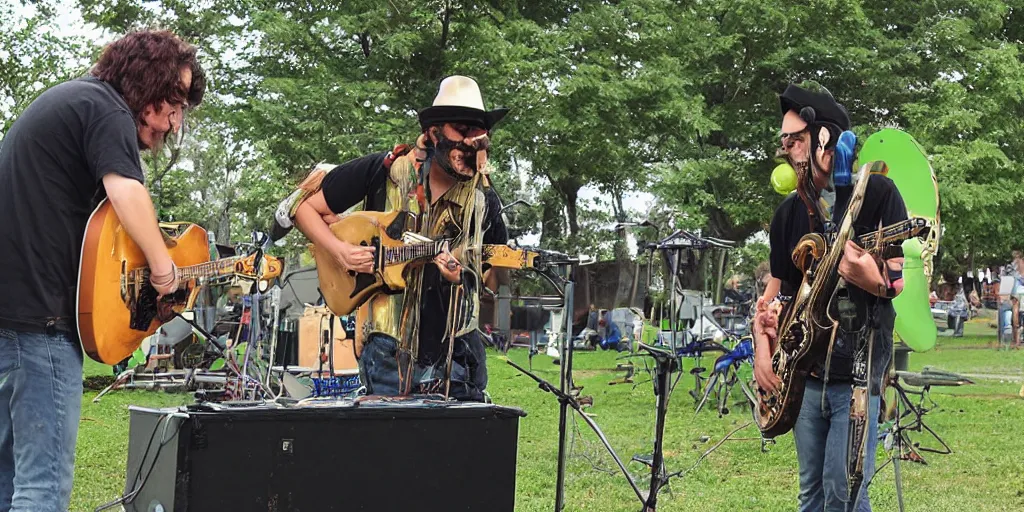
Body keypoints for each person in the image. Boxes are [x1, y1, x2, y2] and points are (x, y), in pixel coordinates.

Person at [0, 30, 205, 511]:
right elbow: (127, 193)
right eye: (174, 107)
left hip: (12, 314)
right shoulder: (108, 110)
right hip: (42, 322)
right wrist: (164, 269)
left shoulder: (75, 103)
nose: (174, 125)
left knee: (8, 478)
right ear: (147, 86)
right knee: (42, 487)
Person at [289, 76, 508, 401]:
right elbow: (302, 207)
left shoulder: (484, 200)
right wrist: (340, 252)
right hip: (388, 351)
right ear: (434, 133)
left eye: (477, 131)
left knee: (460, 445)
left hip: (458, 353)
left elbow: (495, 273)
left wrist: (462, 275)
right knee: (392, 446)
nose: (472, 141)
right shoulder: (384, 171)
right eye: (461, 130)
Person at [752, 82, 907, 512]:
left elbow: (896, 282)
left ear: (825, 138)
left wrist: (864, 274)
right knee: (811, 494)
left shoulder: (876, 196)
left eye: (795, 139)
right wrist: (761, 349)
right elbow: (772, 294)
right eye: (783, 141)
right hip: (804, 374)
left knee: (846, 491)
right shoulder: (788, 214)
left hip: (856, 375)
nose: (786, 150)